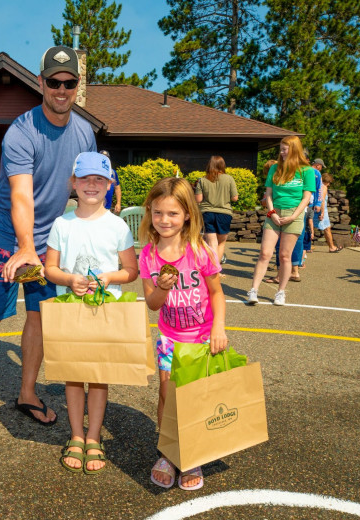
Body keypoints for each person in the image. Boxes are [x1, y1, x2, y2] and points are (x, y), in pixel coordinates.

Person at [0, 45, 97, 426]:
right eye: (54, 82)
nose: (61, 89)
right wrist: (25, 247)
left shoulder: (85, 132)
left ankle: (27, 393)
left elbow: (88, 187)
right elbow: (21, 194)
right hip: (9, 239)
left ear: (77, 85)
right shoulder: (21, 132)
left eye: (69, 82)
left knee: (39, 317)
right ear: (41, 82)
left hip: (48, 245)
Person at [44, 152, 138, 474]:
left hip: (106, 311)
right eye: (85, 179)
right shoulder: (61, 223)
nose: (92, 185)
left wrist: (110, 277)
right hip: (70, 310)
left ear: (109, 184)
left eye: (99, 179)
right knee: (74, 373)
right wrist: (69, 279)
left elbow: (131, 270)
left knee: (99, 376)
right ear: (73, 183)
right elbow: (50, 269)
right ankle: (76, 435)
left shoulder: (118, 225)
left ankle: (94, 436)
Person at [138, 177, 227, 491]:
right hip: (169, 338)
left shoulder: (200, 251)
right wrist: (162, 289)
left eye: (173, 214)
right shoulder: (148, 256)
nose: (165, 220)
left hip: (202, 337)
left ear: (188, 214)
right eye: (159, 212)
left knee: (196, 399)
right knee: (168, 396)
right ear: (150, 212)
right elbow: (151, 304)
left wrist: (218, 328)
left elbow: (216, 293)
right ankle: (168, 453)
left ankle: (191, 456)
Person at [247, 135, 314, 306]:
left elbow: (306, 198)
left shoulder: (307, 171)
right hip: (274, 213)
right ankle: (253, 290)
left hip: (295, 214)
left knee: (285, 256)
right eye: (281, 149)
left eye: (285, 149)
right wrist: (272, 212)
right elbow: (268, 194)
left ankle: (281, 292)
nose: (282, 152)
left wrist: (293, 216)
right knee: (265, 253)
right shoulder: (275, 168)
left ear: (294, 150)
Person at [195, 156, 238, 263]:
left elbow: (198, 199)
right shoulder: (229, 178)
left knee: (211, 243)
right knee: (221, 243)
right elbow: (235, 198)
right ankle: (216, 271)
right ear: (223, 165)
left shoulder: (202, 180)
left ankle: (211, 270)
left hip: (207, 213)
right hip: (224, 213)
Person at [316, 173, 342, 253]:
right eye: (329, 182)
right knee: (327, 228)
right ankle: (332, 247)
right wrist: (323, 212)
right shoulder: (323, 187)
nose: (329, 184)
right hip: (322, 209)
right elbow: (322, 200)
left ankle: (307, 247)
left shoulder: (317, 185)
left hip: (316, 209)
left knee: (310, 228)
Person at [304, 158, 324, 252]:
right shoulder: (317, 173)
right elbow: (319, 189)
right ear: (318, 165)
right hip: (310, 202)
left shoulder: (303, 169)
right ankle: (306, 247)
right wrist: (318, 203)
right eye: (321, 167)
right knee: (308, 224)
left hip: (299, 202)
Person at [100, 150, 121, 214]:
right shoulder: (94, 173)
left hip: (107, 208)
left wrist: (118, 203)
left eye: (106, 158)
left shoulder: (113, 173)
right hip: (94, 208)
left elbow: (117, 188)